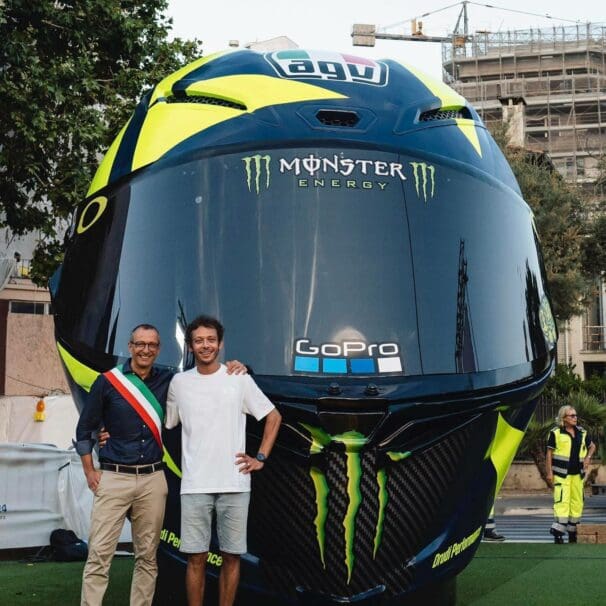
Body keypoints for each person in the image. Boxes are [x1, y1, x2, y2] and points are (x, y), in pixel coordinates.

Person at [75, 323, 246, 606]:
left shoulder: (172, 380)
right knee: (99, 557)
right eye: (140, 344)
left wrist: (237, 367)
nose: (145, 350)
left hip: (153, 480)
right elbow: (85, 430)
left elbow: (205, 372)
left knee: (147, 558)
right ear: (130, 347)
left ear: (158, 349)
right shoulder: (108, 381)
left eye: (151, 345)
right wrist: (90, 472)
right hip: (114, 477)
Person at [165, 315, 282, 606]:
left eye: (211, 340)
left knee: (231, 557)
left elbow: (273, 417)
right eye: (199, 340)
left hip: (235, 483)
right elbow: (166, 424)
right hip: (194, 485)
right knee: (196, 559)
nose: (205, 345)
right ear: (190, 347)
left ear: (220, 344)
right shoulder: (179, 383)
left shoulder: (238, 378)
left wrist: (261, 458)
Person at [545, 404, 596, 544]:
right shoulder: (555, 433)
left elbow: (592, 447)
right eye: (572, 416)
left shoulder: (582, 432)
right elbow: (549, 454)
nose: (575, 418)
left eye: (575, 415)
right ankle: (558, 532)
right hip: (561, 474)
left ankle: (573, 532)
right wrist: (549, 473)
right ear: (564, 418)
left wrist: (588, 458)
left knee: (577, 502)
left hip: (577, 475)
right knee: (562, 502)